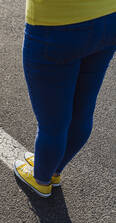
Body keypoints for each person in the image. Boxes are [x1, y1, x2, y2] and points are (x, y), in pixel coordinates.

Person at [14, 1, 116, 197]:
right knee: (83, 109)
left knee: (53, 123)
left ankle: (41, 179)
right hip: (109, 18)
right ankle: (53, 169)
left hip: (55, 25)